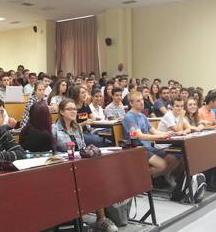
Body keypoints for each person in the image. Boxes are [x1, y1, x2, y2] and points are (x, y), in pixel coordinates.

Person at [51, 98, 118, 232]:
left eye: (75, 109)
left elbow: (82, 148)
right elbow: (53, 153)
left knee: (98, 181)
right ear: (62, 112)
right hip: (63, 169)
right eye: (70, 109)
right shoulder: (54, 129)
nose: (74, 111)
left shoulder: (77, 127)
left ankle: (101, 220)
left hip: (80, 166)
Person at [123, 91, 178, 178]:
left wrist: (169, 134)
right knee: (162, 165)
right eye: (138, 101)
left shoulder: (142, 116)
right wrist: (160, 136)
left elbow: (154, 131)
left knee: (174, 158)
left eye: (142, 100)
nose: (142, 102)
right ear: (131, 103)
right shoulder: (129, 117)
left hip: (148, 147)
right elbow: (139, 136)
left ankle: (156, 179)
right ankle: (139, 179)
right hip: (136, 149)